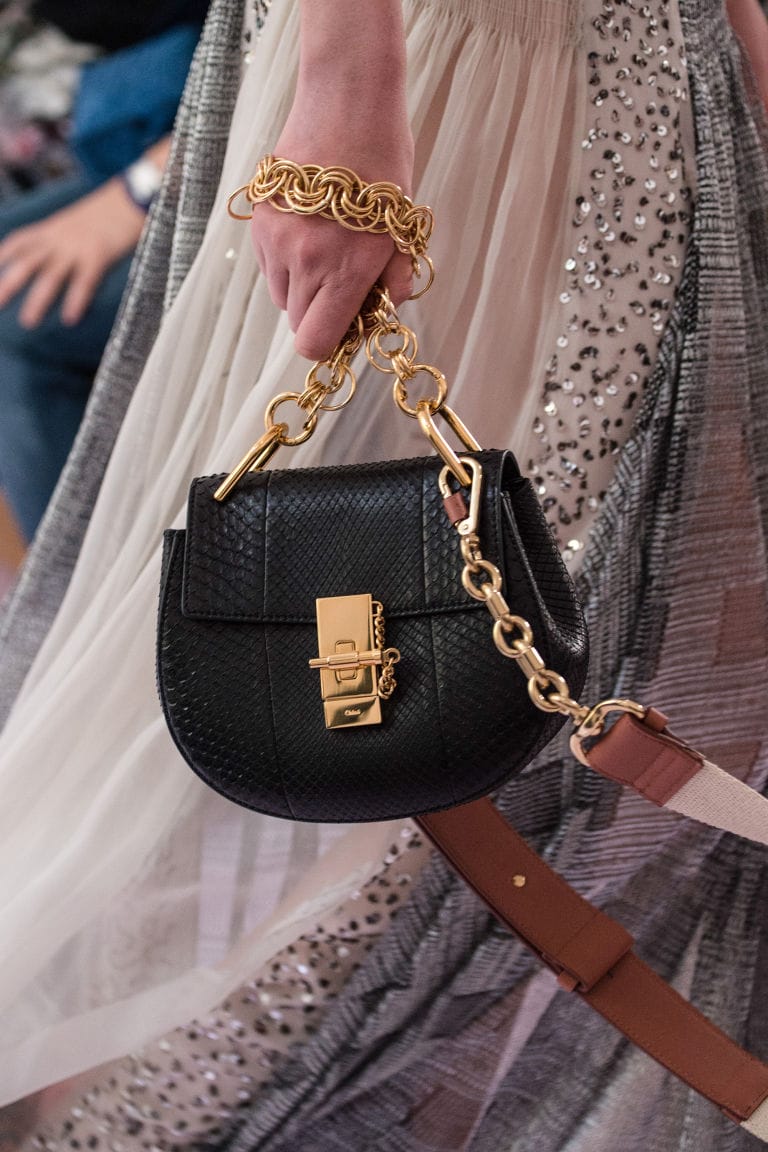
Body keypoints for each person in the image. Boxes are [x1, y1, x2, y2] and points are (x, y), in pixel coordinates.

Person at [0, 0, 767, 1149]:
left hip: (648, 85)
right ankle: (147, 1106)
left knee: (643, 661)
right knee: (411, 721)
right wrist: (348, 89)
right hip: (454, 67)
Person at [0, 1, 207, 544]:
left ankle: (86, 583)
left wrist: (137, 193)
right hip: (157, 119)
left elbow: (271, 50)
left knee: (20, 319)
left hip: (237, 145)